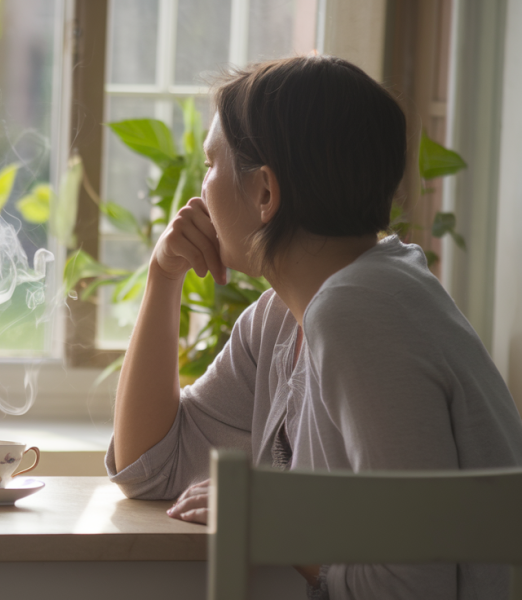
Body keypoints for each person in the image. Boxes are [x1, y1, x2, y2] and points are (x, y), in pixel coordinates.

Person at [106, 54, 522, 599]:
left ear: (265, 193)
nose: (201, 191)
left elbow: (412, 588)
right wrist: (163, 278)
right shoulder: (282, 319)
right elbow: (150, 469)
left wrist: (268, 519)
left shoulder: (362, 315)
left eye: (210, 165)